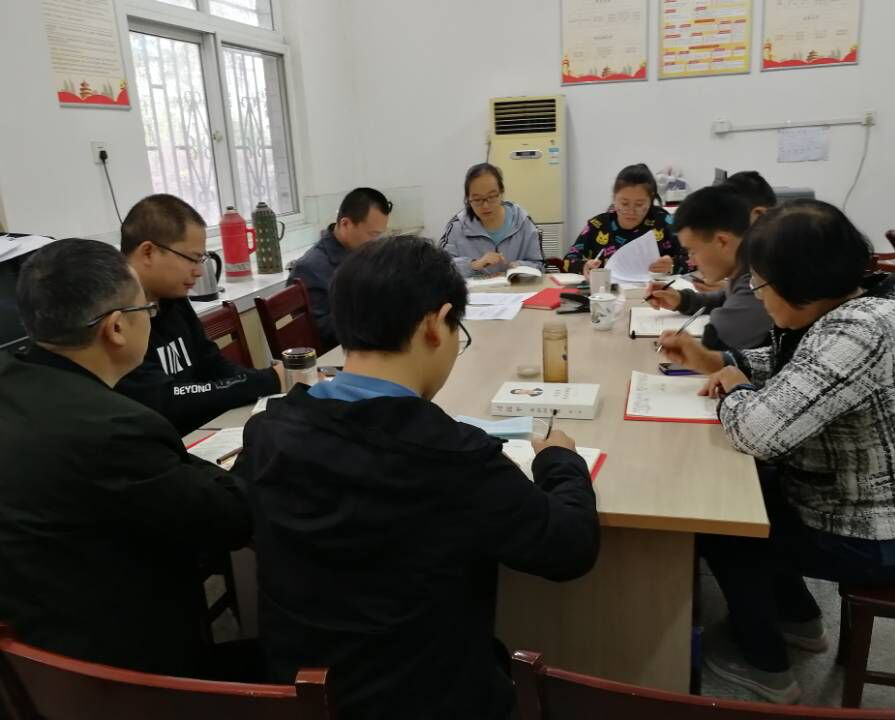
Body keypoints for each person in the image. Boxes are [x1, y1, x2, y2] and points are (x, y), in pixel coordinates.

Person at [238, 236, 599, 719]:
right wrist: (559, 460)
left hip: (303, 701)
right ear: (434, 324)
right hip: (431, 701)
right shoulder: (455, 456)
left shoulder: (267, 431)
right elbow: (570, 545)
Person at [659, 200, 895, 704]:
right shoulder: (854, 304)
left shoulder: (857, 334)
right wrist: (716, 360)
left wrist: (735, 390)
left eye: (761, 285)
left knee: (721, 521)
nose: (757, 295)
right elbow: (792, 366)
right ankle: (799, 620)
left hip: (886, 535)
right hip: (876, 509)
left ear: (799, 282)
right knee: (752, 495)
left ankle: (766, 669)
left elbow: (758, 433)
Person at [0, 239, 252, 677]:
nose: (151, 319)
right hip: (118, 673)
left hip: (29, 653)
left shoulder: (12, 378)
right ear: (116, 328)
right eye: (147, 310)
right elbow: (233, 518)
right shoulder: (115, 428)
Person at [116, 194, 282, 435]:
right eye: (192, 259)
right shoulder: (118, 319)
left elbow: (212, 364)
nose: (198, 272)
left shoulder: (172, 298)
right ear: (148, 252)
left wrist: (275, 379)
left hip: (206, 430)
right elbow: (166, 399)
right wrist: (267, 380)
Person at [647, 183, 772, 350]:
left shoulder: (757, 283)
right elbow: (725, 298)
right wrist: (681, 300)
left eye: (692, 251)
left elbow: (712, 345)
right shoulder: (745, 269)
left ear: (722, 241)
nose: (692, 261)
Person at [287, 187, 392, 350]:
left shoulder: (361, 253)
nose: (376, 242)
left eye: (380, 235)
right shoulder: (310, 269)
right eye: (373, 234)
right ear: (345, 224)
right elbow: (321, 334)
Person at [564, 163, 691, 276]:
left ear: (650, 200)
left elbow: (695, 258)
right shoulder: (598, 225)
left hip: (653, 291)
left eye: (639, 204)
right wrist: (584, 266)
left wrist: (672, 265)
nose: (631, 211)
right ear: (614, 198)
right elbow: (568, 260)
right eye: (624, 204)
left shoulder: (664, 222)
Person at [440, 163, 544, 277]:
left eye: (492, 197)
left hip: (516, 288)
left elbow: (539, 265)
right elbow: (440, 268)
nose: (485, 205)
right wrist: (474, 265)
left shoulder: (522, 221)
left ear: (501, 193)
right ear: (468, 199)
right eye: (477, 199)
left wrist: (519, 266)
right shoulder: (457, 226)